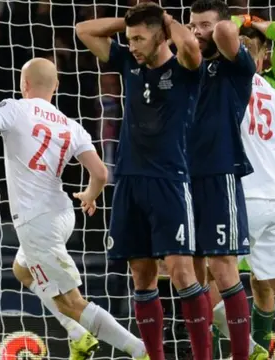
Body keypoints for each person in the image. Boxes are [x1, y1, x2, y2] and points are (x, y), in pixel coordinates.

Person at [0, 57, 148, 360]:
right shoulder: (71, 125)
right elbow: (101, 173)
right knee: (22, 270)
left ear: (24, 84)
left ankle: (140, 351)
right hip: (63, 215)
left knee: (71, 302)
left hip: (37, 222)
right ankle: (78, 335)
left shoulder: (14, 107)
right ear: (57, 86)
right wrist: (90, 195)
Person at [76, 2, 210, 359]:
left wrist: (164, 19)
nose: (132, 44)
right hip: (130, 181)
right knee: (141, 275)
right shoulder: (127, 62)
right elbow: (84, 30)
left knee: (182, 273)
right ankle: (154, 355)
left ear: (162, 36)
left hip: (169, 180)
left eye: (139, 38)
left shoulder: (185, 68)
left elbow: (192, 47)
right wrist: (132, 22)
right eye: (129, 38)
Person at [206, 26, 275, 360]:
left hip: (241, 195)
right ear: (264, 57)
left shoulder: (226, 85)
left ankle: (244, 350)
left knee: (207, 274)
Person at [187, 1, 257, 359]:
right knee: (188, 272)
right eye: (192, 25)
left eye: (203, 25)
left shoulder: (235, 67)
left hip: (219, 173)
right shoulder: (186, 65)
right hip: (180, 178)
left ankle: (244, 354)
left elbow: (228, 32)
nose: (196, 32)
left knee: (222, 267)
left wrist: (213, 27)